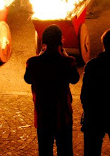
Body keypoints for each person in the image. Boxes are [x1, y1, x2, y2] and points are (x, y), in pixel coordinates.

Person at [24, 25, 80, 156]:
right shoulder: (68, 62)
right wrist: (65, 55)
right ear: (61, 41)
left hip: (42, 114)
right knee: (65, 150)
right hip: (62, 114)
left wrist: (39, 56)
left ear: (44, 41)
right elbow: (75, 79)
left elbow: (28, 79)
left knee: (44, 151)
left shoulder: (32, 62)